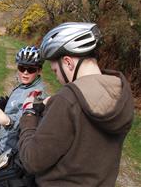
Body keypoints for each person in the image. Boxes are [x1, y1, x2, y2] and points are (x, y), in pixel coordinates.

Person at [18, 22, 134, 186]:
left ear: (68, 62)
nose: (57, 78)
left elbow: (32, 160)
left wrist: (29, 114)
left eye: (55, 71)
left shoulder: (67, 99)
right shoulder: (120, 91)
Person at [0, 46, 47, 153]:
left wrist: (8, 121)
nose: (25, 72)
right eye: (22, 68)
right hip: (6, 140)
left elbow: (27, 121)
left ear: (39, 70)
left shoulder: (37, 94)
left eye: (31, 69)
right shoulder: (24, 85)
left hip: (14, 150)